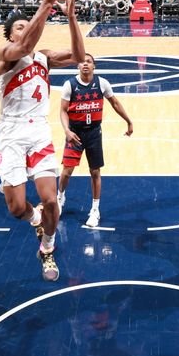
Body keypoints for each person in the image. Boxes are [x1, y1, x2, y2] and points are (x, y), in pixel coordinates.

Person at [0, 0, 84, 282]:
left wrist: (71, 17)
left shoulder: (43, 57)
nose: (24, 30)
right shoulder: (6, 56)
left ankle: (47, 247)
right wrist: (46, 4)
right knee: (17, 207)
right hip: (9, 133)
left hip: (39, 131)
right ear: (10, 37)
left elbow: (79, 56)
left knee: (50, 199)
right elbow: (26, 44)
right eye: (18, 27)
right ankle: (35, 221)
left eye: (25, 25)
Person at [57, 53, 133, 227]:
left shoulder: (102, 83)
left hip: (93, 133)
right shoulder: (70, 85)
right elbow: (62, 110)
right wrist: (67, 131)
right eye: (82, 62)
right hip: (74, 134)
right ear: (78, 66)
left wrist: (128, 121)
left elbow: (114, 103)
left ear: (94, 66)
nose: (85, 64)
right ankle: (60, 197)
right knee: (67, 171)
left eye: (89, 62)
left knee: (95, 172)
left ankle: (95, 210)